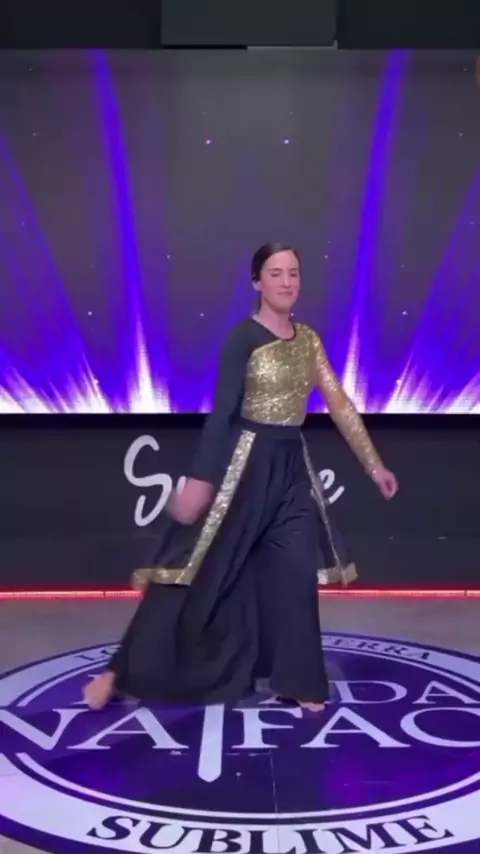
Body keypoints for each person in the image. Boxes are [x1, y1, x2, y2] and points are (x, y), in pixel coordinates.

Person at [84, 243, 398, 714]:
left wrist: (374, 465)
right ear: (257, 282)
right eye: (276, 273)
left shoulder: (309, 340)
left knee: (297, 572)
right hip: (243, 464)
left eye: (294, 273)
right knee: (197, 567)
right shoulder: (242, 339)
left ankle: (299, 679)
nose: (287, 282)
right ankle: (121, 670)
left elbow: (339, 403)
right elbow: (223, 414)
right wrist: (201, 478)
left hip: (291, 466)